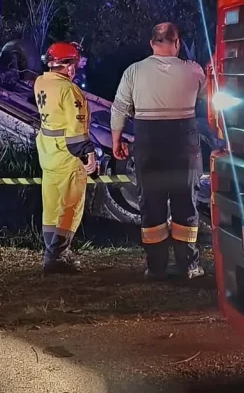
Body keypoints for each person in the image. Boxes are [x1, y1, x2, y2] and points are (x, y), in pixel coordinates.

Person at [111, 23, 206, 280]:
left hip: (148, 142)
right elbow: (207, 97)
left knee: (151, 205)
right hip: (183, 144)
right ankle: (188, 265)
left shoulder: (134, 71)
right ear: (177, 43)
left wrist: (116, 140)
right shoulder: (194, 70)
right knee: (185, 203)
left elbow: (119, 108)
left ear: (152, 43)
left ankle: (155, 267)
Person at [34, 41, 97, 274]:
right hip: (68, 158)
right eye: (75, 63)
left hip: (48, 154)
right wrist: (88, 154)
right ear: (68, 65)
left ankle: (50, 253)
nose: (76, 68)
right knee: (70, 207)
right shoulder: (69, 91)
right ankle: (57, 256)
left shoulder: (41, 81)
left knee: (51, 209)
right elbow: (75, 132)